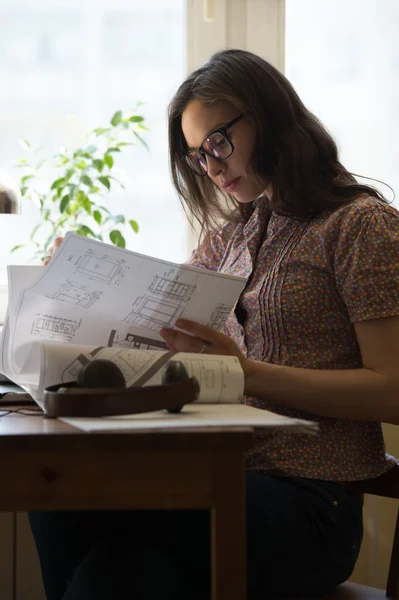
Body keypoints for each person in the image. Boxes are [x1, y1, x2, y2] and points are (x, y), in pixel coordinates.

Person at [31, 49, 399, 600]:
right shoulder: (236, 233)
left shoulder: (360, 225)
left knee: (73, 502)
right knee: (101, 559)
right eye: (198, 156)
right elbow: (155, 307)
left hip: (312, 504)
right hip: (223, 475)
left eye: (219, 143)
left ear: (267, 115)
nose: (213, 167)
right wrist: (78, 278)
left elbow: (392, 391)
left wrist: (247, 373)